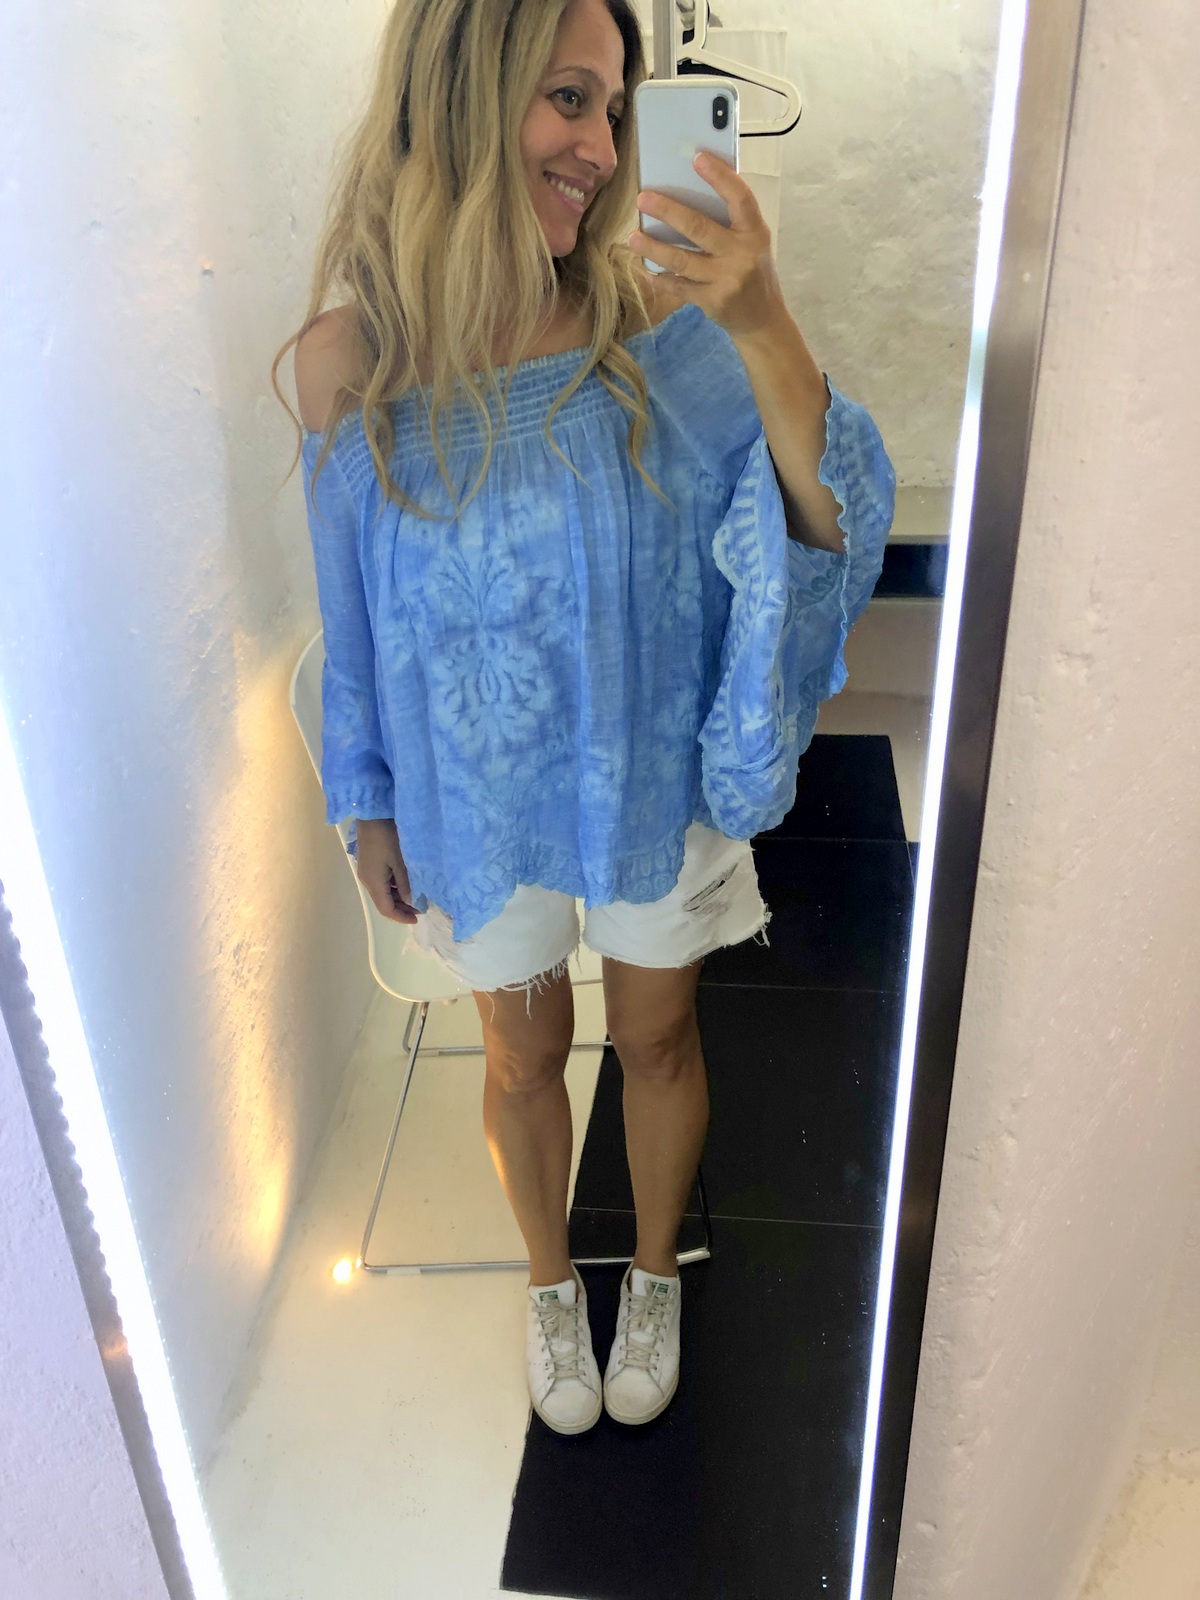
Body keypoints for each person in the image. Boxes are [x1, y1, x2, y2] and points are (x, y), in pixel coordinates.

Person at [275, 0, 894, 1438]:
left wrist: (762, 318)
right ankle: (552, 1280)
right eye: (569, 98)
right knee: (517, 1058)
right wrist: (363, 796)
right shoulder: (347, 368)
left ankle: (654, 1269)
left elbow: (827, 518)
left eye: (615, 110)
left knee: (659, 1045)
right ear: (462, 90)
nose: (604, 148)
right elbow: (356, 616)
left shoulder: (658, 331)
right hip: (477, 801)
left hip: (649, 786)